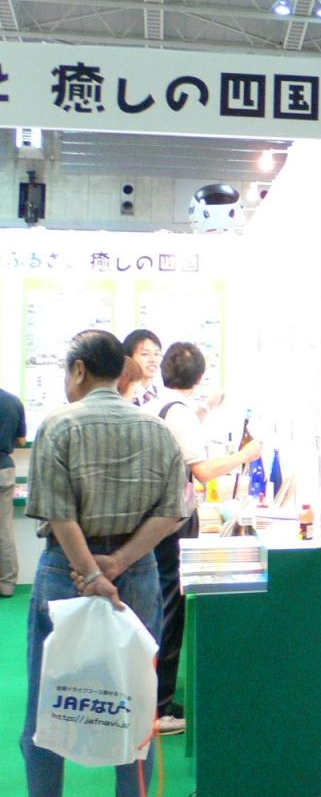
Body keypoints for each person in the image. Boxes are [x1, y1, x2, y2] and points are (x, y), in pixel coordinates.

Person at [21, 330, 189, 796]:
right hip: (137, 572)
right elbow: (172, 512)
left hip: (67, 571)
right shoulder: (156, 428)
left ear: (78, 370)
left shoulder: (60, 425)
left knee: (48, 703)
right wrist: (117, 563)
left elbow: (59, 513)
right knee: (134, 704)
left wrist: (92, 572)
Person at [153, 342, 263, 734]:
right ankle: (160, 707)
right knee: (171, 610)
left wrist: (207, 408)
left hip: (161, 519)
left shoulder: (163, 406)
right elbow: (203, 471)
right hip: (172, 520)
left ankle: (157, 698)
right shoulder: (180, 414)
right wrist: (246, 455)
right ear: (200, 378)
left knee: (165, 606)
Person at [0, 385, 26, 598]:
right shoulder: (13, 401)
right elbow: (22, 440)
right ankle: (7, 585)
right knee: (4, 529)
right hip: (4, 468)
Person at [121, 328, 163, 407]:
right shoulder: (121, 396)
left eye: (157, 354)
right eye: (145, 354)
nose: (153, 360)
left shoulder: (164, 396)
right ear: (129, 357)